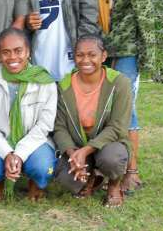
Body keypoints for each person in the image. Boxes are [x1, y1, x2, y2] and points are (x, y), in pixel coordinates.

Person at [91, 0, 155, 194]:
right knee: (103, 108)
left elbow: (144, 10)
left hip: (126, 47)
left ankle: (132, 171)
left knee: (126, 108)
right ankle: (106, 167)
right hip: (101, 48)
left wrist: (147, 53)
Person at [0, 28, 57, 201]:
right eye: (6, 52)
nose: (12, 57)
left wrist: (19, 153)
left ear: (28, 52)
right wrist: (7, 153)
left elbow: (44, 126)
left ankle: (36, 182)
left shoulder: (45, 81)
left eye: (18, 51)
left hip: (34, 142)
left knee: (44, 167)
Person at [53, 34, 132, 208]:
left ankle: (113, 185)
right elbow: (59, 126)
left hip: (109, 144)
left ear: (103, 56)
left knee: (111, 159)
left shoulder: (120, 83)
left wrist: (87, 150)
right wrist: (72, 153)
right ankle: (92, 178)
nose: (85, 60)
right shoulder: (64, 86)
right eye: (80, 55)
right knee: (65, 176)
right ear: (74, 57)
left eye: (92, 55)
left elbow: (118, 127)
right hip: (77, 144)